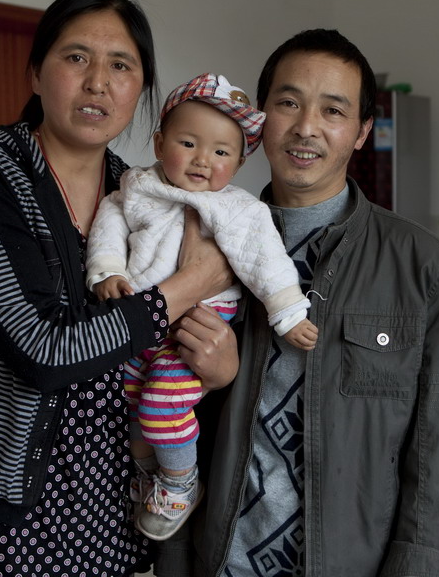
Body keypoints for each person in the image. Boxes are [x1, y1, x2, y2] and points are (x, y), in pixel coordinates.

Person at [0, 0, 238, 577]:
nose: (98, 82)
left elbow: (176, 347)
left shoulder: (141, 195)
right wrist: (190, 282)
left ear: (141, 91)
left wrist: (222, 364)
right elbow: (41, 350)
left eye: (121, 65)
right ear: (35, 73)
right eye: (76, 57)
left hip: (108, 509)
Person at [157, 29, 439, 577]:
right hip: (220, 558)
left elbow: (438, 454)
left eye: (333, 110)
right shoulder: (194, 244)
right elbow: (162, 400)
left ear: (361, 133)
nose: (306, 127)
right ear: (259, 121)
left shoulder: (426, 268)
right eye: (287, 103)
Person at [85, 72, 317, 542]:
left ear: (238, 160)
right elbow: (108, 223)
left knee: (161, 405)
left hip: (198, 324)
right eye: (188, 142)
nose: (202, 160)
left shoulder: (237, 209)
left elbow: (263, 260)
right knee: (127, 400)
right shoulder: (137, 187)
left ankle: (179, 483)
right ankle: (152, 472)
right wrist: (107, 270)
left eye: (221, 152)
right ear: (158, 142)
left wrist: (288, 311)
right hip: (139, 320)